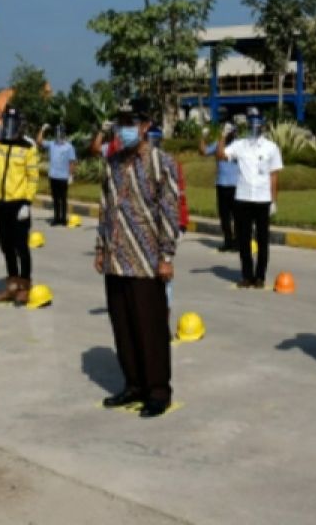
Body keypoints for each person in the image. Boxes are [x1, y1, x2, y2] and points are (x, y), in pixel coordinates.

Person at [96, 100, 181, 418]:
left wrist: (167, 256)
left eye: (131, 121)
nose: (125, 128)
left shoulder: (162, 163)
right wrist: (101, 249)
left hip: (147, 259)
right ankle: (133, 384)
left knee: (150, 327)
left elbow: (169, 211)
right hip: (117, 257)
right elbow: (105, 207)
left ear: (146, 125)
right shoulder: (113, 162)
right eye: (121, 122)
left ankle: (158, 390)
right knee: (123, 324)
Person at [216, 107, 282, 289]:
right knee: (244, 240)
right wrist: (223, 136)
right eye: (251, 124)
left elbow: (274, 176)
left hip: (262, 199)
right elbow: (221, 155)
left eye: (257, 124)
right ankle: (246, 275)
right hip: (243, 198)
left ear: (262, 126)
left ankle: (260, 276)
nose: (254, 128)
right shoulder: (240, 145)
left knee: (262, 240)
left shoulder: (271, 148)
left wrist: (274, 201)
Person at [0, 107, 40, 305]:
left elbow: (33, 177)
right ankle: (11, 284)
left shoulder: (28, 148)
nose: (9, 127)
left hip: (19, 205)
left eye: (13, 123)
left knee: (21, 247)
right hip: (0, 204)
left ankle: (24, 285)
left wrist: (27, 202)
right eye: (6, 122)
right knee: (5, 246)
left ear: (20, 126)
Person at [200, 122, 239, 252]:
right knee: (224, 216)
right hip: (221, 184)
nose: (227, 134)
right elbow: (204, 152)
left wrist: (223, 137)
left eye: (229, 131)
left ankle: (238, 242)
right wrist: (203, 137)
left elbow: (221, 155)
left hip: (236, 185)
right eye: (225, 131)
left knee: (237, 216)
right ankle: (228, 241)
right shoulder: (219, 143)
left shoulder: (238, 145)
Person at [38, 123, 78, 226]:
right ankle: (56, 218)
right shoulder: (52, 144)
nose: (59, 135)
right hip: (53, 176)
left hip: (63, 177)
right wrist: (42, 129)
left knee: (63, 199)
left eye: (60, 133)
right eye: (57, 133)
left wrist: (71, 175)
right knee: (55, 198)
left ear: (64, 134)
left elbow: (72, 162)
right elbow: (39, 141)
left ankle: (63, 219)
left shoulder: (69, 147)